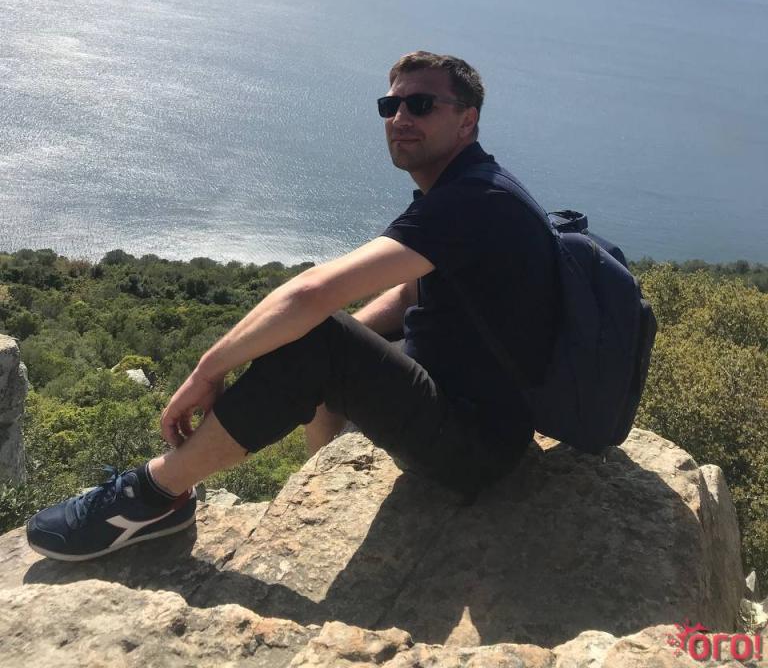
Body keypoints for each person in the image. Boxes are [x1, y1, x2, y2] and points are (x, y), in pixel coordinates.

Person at [26, 51, 559, 562]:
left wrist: (210, 369)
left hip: (476, 445)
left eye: (420, 105)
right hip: (476, 405)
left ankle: (153, 495)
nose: (400, 118)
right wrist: (330, 342)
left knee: (316, 337)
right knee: (317, 339)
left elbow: (310, 293)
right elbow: (409, 295)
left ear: (467, 121)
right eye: (390, 105)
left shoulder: (471, 202)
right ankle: (320, 476)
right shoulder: (474, 187)